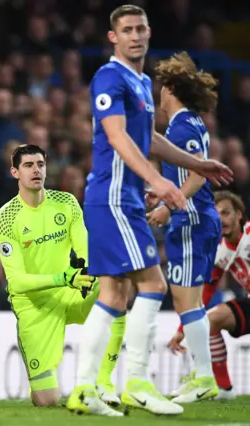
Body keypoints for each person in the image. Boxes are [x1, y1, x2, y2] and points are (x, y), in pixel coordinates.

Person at [65, 4, 232, 417]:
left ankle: (85, 388)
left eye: (141, 28)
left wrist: (196, 165)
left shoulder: (140, 82)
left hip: (124, 202)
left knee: (114, 294)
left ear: (149, 32)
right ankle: (137, 381)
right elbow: (118, 137)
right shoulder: (109, 77)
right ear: (113, 37)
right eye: (127, 30)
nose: (136, 35)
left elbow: (149, 139)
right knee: (154, 285)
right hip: (114, 199)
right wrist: (158, 181)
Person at [0, 144, 126, 407]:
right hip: (34, 305)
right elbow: (17, 282)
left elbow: (84, 249)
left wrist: (89, 271)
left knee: (116, 285)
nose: (36, 170)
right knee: (47, 400)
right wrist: (64, 278)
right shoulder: (4, 219)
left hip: (71, 289)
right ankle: (44, 382)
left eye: (40, 164)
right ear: (15, 172)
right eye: (28, 165)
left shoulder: (66, 203)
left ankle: (105, 383)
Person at [145, 52, 221, 403]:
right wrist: (159, 192)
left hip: (191, 221)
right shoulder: (186, 124)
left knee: (186, 300)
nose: (159, 94)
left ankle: (204, 377)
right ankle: (200, 374)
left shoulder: (183, 125)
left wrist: (166, 204)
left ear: (171, 89)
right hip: (193, 219)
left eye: (162, 88)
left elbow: (195, 175)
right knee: (186, 300)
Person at [168, 191, 250, 401]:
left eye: (226, 213)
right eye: (216, 214)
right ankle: (224, 389)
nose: (222, 219)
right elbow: (204, 293)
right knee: (209, 321)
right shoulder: (218, 251)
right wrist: (182, 330)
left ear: (239, 215)